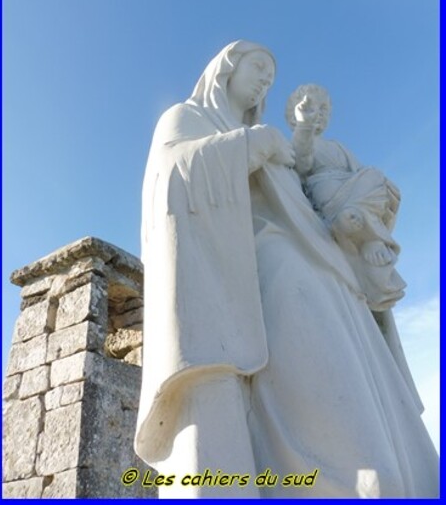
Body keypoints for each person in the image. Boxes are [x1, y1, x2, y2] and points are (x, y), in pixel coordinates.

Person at [134, 41, 438, 498]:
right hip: (268, 268)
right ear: (226, 69)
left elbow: (315, 207)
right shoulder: (186, 117)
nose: (264, 82)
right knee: (328, 411)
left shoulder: (277, 147)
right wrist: (251, 145)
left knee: (363, 404)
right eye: (258, 68)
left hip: (323, 269)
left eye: (271, 79)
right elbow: (171, 177)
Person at [286, 83, 406, 312]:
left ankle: (361, 231)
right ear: (295, 113)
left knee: (374, 175)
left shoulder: (338, 147)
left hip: (355, 194)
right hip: (327, 192)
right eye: (312, 108)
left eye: (323, 110)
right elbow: (301, 164)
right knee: (370, 180)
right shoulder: (302, 139)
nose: (318, 114)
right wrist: (305, 125)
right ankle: (362, 234)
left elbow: (361, 173)